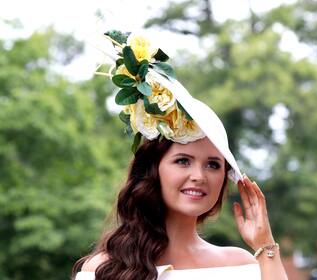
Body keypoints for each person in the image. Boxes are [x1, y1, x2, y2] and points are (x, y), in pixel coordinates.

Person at [71, 31, 288, 280]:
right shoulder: (106, 269)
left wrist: (266, 244)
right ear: (153, 170)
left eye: (213, 165)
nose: (198, 176)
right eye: (183, 161)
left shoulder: (241, 265)